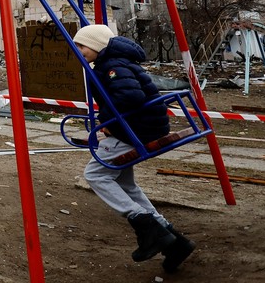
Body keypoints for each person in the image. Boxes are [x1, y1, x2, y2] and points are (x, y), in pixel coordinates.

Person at [72, 23, 196, 272]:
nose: (78, 50)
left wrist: (107, 122)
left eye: (82, 45)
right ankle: (174, 241)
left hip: (137, 129)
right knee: (125, 184)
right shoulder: (114, 62)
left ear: (97, 45)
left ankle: (145, 225)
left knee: (95, 174)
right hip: (141, 125)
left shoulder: (112, 66)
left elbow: (130, 97)